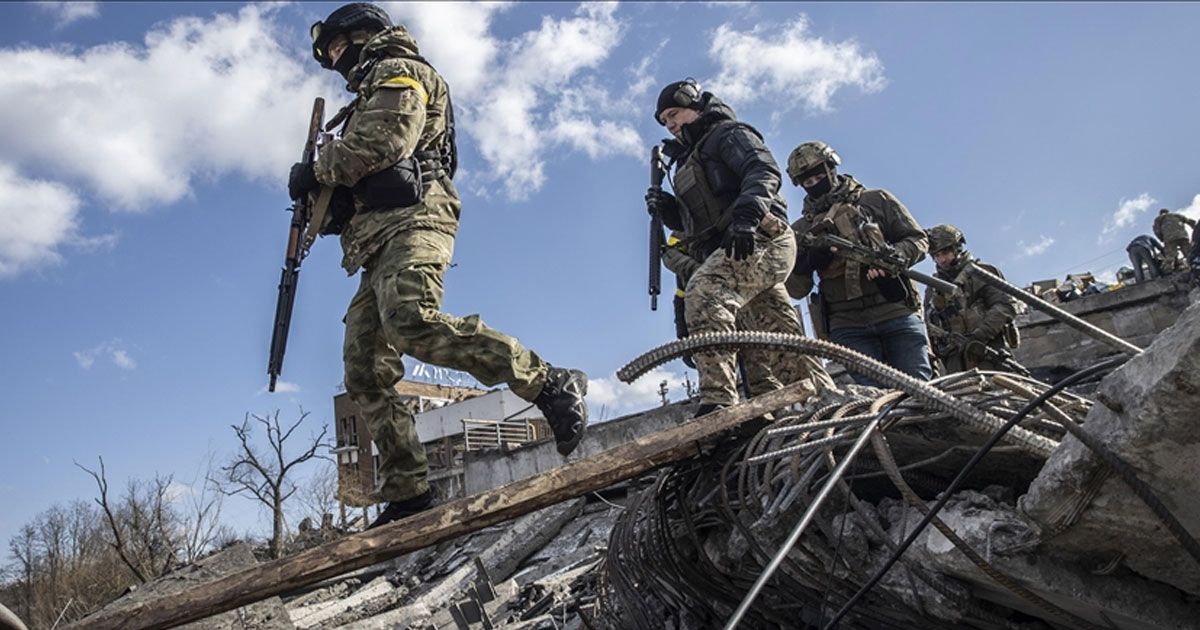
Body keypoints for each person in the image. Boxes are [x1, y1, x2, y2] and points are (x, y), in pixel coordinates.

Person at [289, 3, 588, 529]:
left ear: (364, 35)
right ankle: (408, 489)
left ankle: (547, 381)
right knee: (363, 367)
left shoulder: (400, 69)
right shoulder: (359, 98)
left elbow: (386, 142)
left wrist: (317, 167)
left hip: (416, 220)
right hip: (374, 241)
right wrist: (320, 197)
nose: (336, 60)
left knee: (411, 319)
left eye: (338, 47)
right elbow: (355, 186)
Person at [645, 79, 830, 416]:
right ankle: (819, 403)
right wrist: (668, 208)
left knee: (705, 292)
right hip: (733, 251)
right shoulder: (688, 160)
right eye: (664, 122)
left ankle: (718, 400)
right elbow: (696, 224)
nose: (671, 125)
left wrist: (746, 217)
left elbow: (763, 170)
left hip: (760, 236)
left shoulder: (727, 134)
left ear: (696, 105)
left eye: (674, 114)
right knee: (773, 342)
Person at [784, 141, 932, 385]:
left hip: (895, 311)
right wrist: (809, 261)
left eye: (819, 176)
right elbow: (796, 289)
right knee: (872, 398)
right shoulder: (800, 230)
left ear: (832, 168)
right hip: (847, 324)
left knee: (920, 389)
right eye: (807, 182)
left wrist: (894, 257)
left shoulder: (875, 201)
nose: (814, 185)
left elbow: (917, 240)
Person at [923, 224, 1021, 375]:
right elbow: (928, 323)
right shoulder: (933, 287)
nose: (941, 260)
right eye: (936, 255)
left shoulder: (982, 273)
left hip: (987, 350)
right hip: (954, 360)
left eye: (945, 253)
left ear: (957, 249)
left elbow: (1004, 306)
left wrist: (978, 337)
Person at [1152, 208, 1196, 273]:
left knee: (1170, 256)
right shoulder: (1175, 215)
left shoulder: (1158, 219)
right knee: (1189, 252)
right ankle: (1194, 265)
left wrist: (1161, 239)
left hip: (1169, 238)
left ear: (1160, 214)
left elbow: (1157, 231)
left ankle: (1168, 270)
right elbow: (1189, 221)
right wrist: (1195, 228)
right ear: (1168, 212)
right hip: (1182, 236)